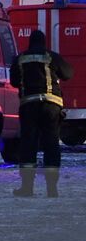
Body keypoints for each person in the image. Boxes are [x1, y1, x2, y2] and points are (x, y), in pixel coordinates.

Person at [10, 29, 74, 197]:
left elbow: (14, 81)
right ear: (44, 42)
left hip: (29, 105)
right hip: (51, 106)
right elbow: (68, 73)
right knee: (51, 144)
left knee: (28, 145)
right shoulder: (51, 56)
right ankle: (52, 188)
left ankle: (27, 188)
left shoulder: (20, 58)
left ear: (29, 42)